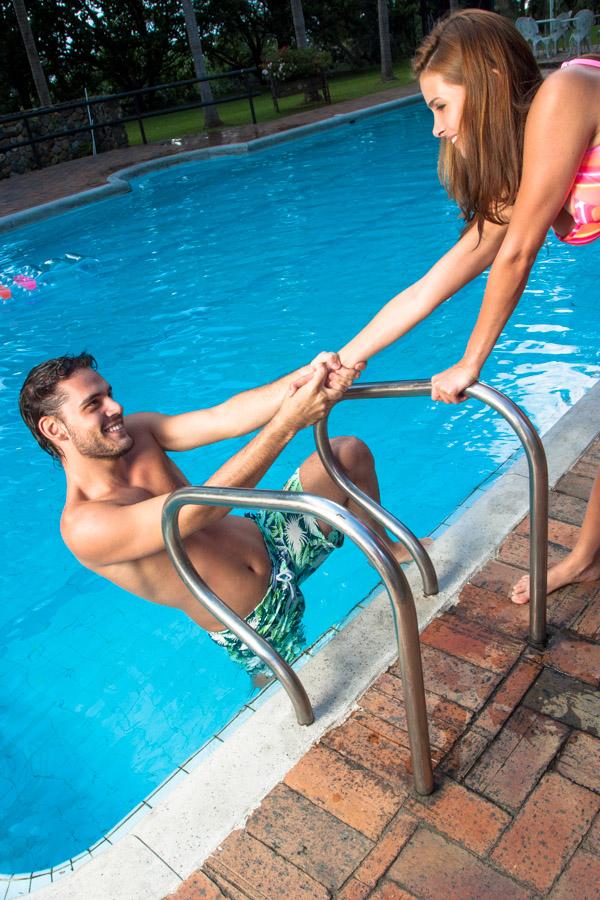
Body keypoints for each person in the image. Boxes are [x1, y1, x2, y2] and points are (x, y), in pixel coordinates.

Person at [327, 10, 600, 605]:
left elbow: (519, 251)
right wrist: (342, 361)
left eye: (440, 106)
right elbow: (432, 285)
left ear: (493, 78)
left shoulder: (563, 93)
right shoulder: (524, 167)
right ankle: (587, 559)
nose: (435, 128)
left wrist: (469, 361)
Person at [18, 351, 415, 676]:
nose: (115, 406)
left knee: (347, 454)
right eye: (94, 404)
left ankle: (388, 552)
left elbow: (224, 417)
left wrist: (310, 376)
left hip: (275, 539)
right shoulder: (84, 525)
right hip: (255, 622)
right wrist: (288, 422)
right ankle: (266, 683)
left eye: (108, 393)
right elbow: (195, 513)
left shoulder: (139, 432)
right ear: (55, 429)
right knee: (314, 696)